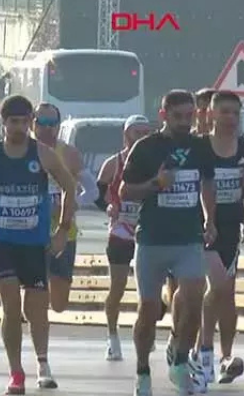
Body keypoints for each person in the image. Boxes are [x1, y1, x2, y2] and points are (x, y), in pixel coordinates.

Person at [0, 95, 76, 394]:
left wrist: (63, 229)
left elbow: (69, 186)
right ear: (3, 123)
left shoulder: (43, 154)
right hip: (2, 240)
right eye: (14, 122)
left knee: (36, 307)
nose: (20, 128)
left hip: (35, 241)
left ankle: (43, 364)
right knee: (11, 306)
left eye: (25, 122)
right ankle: (15, 371)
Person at [119, 90, 216, 395]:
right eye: (178, 117)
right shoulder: (146, 147)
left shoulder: (200, 146)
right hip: (152, 239)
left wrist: (210, 219)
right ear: (163, 116)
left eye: (190, 116)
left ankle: (180, 360)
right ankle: (142, 370)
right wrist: (155, 184)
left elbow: (207, 183)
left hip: (188, 238)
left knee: (194, 298)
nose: (186, 122)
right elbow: (125, 191)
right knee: (148, 310)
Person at [194, 91, 244, 387]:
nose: (230, 118)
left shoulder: (243, 147)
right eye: (224, 112)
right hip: (201, 228)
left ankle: (225, 356)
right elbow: (201, 185)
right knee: (218, 286)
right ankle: (203, 350)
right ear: (211, 114)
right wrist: (208, 220)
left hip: (230, 228)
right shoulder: (200, 147)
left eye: (235, 113)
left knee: (227, 294)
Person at [31, 102, 99, 313]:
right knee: (35, 295)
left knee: (59, 304)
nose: (47, 128)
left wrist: (70, 205)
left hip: (64, 232)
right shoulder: (22, 151)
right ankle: (37, 324)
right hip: (29, 231)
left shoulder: (69, 153)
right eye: (42, 122)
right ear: (33, 124)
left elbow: (93, 191)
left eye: (52, 123)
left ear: (59, 125)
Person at [96, 115, 152, 361]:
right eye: (136, 132)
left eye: (145, 133)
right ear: (126, 135)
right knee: (117, 287)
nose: (141, 137)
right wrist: (108, 207)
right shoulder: (113, 163)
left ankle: (145, 332)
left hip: (148, 231)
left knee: (149, 291)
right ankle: (112, 336)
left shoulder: (155, 162)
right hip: (120, 231)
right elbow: (97, 194)